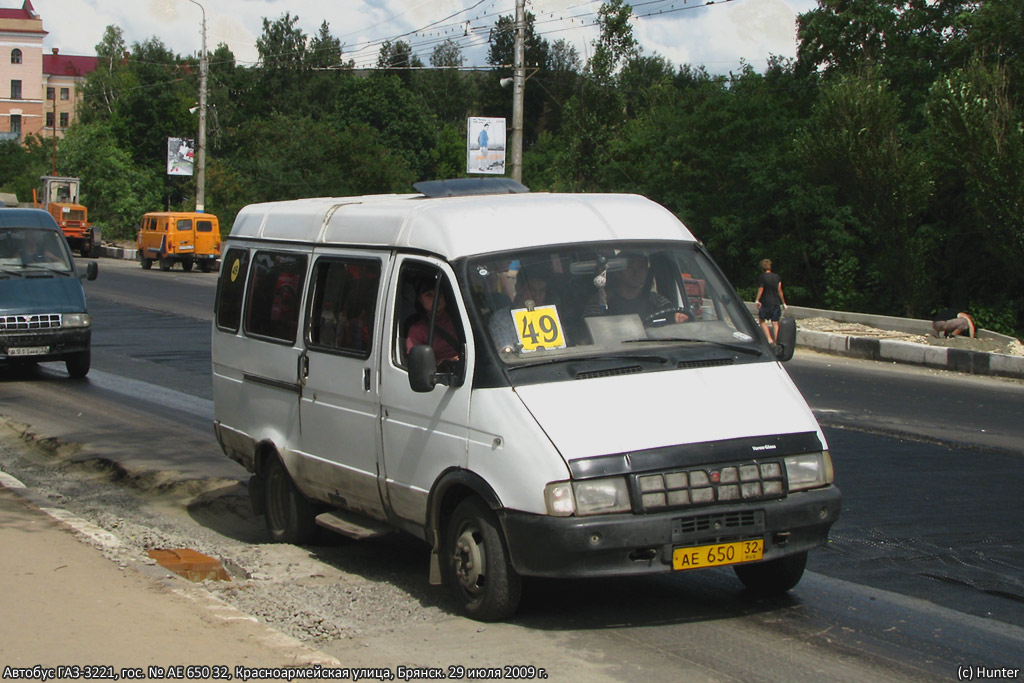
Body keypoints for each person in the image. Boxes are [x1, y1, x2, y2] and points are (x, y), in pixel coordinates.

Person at [584, 252, 688, 323]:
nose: (636, 272)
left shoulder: (657, 300)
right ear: (618, 272)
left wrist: (678, 318)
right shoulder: (601, 301)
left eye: (641, 267)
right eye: (630, 267)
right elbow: (589, 331)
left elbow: (673, 316)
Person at [488, 260, 560, 350]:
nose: (536, 296)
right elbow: (507, 356)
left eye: (541, 290)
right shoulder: (501, 320)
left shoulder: (552, 315)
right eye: (532, 290)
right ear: (519, 288)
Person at [405, 277, 461, 363]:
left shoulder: (461, 320)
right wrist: (444, 363)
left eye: (439, 293)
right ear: (420, 299)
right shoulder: (417, 331)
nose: (436, 298)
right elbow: (418, 365)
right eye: (429, 295)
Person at [754, 258, 787, 343]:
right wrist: (783, 302)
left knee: (761, 320)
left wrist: (757, 300)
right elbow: (779, 290)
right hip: (776, 302)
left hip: (766, 302)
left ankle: (769, 339)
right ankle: (777, 340)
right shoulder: (777, 277)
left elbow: (761, 288)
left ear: (762, 268)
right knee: (775, 322)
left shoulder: (762, 277)